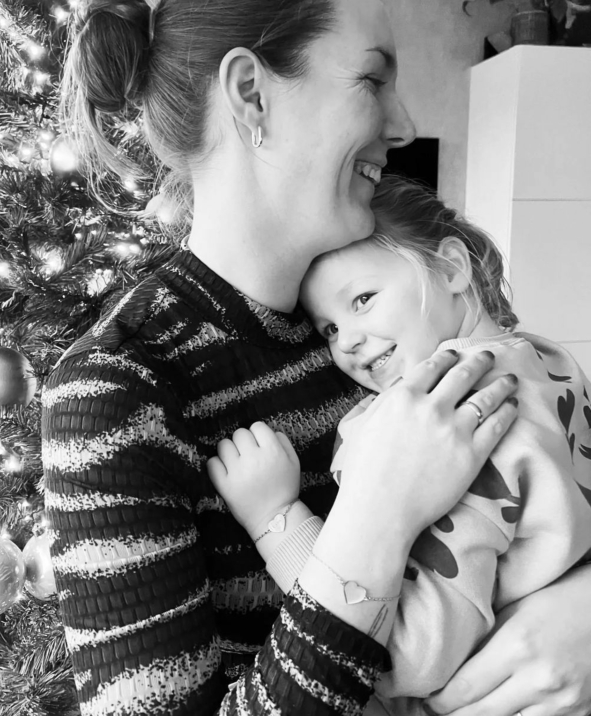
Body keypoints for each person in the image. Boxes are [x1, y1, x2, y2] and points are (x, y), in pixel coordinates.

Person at [40, 0, 591, 716]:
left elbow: (550, 475)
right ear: (252, 95)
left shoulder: (390, 322)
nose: (403, 123)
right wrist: (379, 513)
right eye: (372, 79)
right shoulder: (117, 390)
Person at [209, 177, 591, 716]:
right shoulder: (549, 363)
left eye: (363, 299)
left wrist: (277, 521)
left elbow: (402, 657)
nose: (347, 340)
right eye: (328, 328)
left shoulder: (450, 420)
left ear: (452, 268)